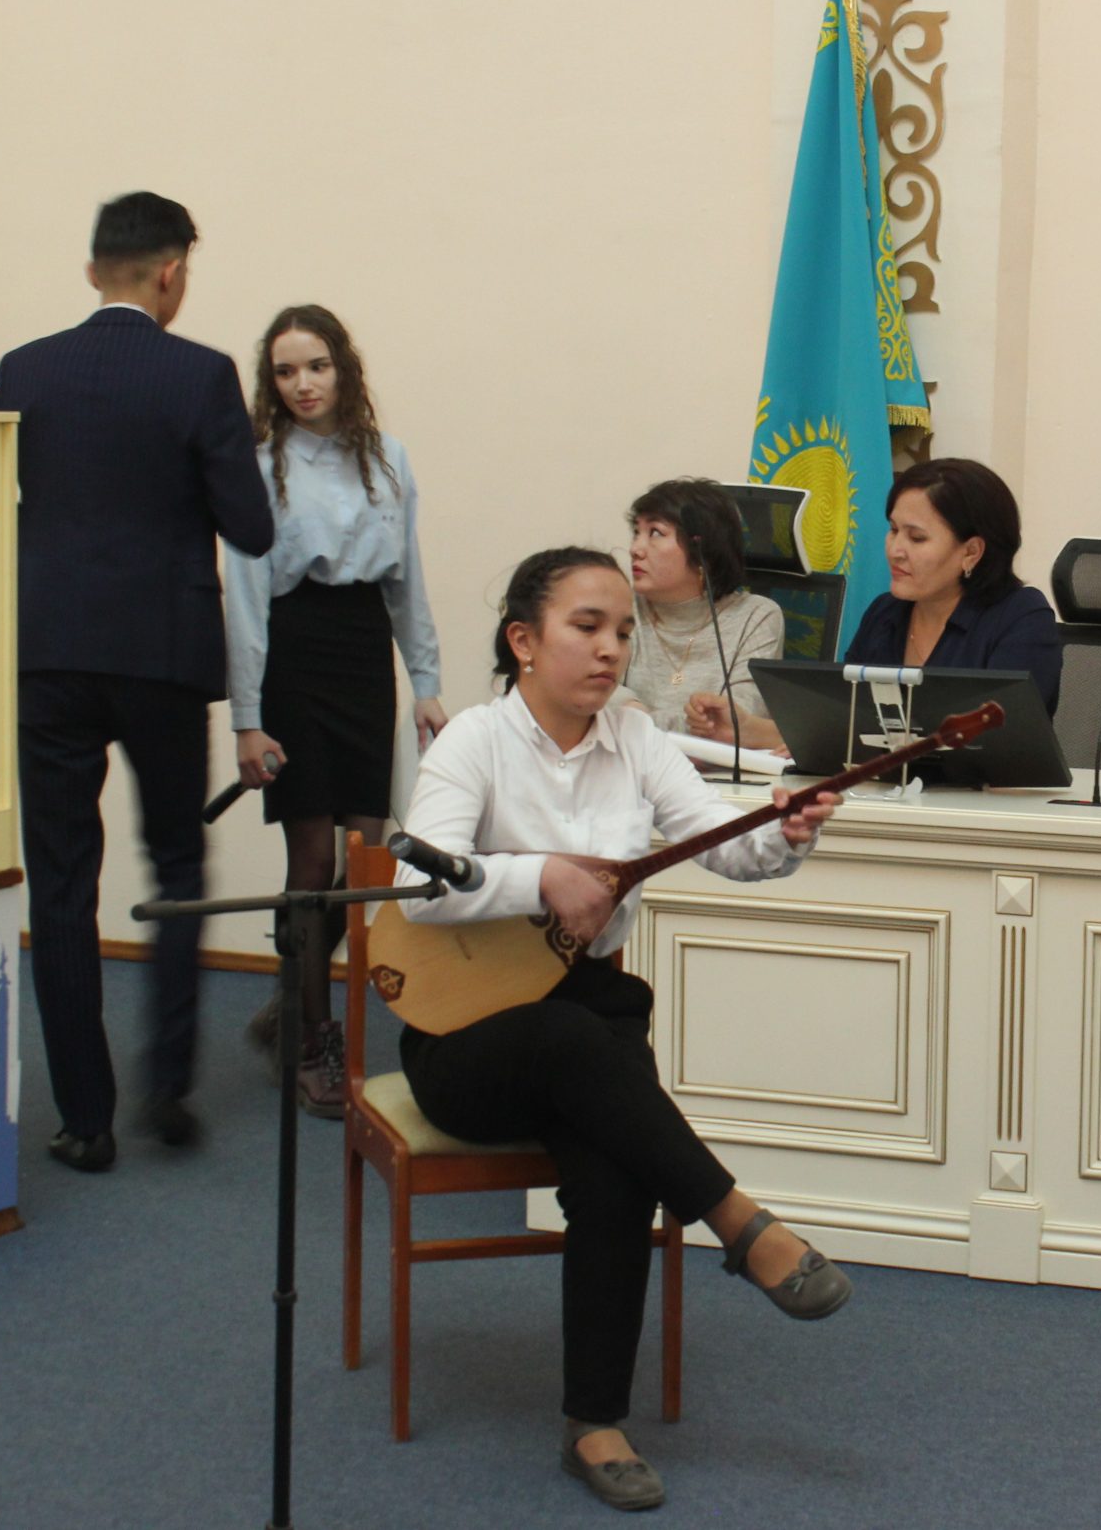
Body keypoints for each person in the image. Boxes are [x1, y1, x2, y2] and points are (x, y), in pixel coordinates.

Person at [393, 547, 851, 1512]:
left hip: (590, 1016)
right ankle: (739, 1222)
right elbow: (415, 883)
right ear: (524, 641)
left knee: (614, 1170)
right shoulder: (473, 740)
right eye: (586, 626)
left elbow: (725, 842)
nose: (611, 648)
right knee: (574, 1043)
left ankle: (593, 1425)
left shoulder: (636, 739)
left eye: (623, 631)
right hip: (465, 1034)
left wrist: (784, 832)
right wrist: (536, 876)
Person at [0, 191, 274, 1172]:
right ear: (171, 273)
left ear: (92, 271)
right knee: (178, 865)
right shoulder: (200, 375)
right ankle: (167, 1090)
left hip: (48, 654)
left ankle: (84, 1118)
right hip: (162, 654)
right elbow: (251, 528)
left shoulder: (25, 370)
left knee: (63, 879)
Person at [223, 304, 447, 1117]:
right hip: (293, 652)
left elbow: (406, 578)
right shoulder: (259, 465)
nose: (302, 384)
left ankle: (291, 1000)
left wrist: (425, 680)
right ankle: (314, 1037)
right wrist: (248, 718)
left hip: (361, 654)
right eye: (285, 371)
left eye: (315, 365)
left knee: (368, 859)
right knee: (313, 861)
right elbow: (246, 598)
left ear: (342, 368)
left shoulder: (388, 458)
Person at [843, 456, 1063, 711]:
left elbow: (1002, 727)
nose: (895, 551)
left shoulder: (1021, 617)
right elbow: (844, 711)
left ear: (971, 552)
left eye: (916, 538)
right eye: (893, 530)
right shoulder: (884, 613)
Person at [616, 476, 784, 745]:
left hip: (712, 768)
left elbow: (733, 723)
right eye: (637, 532)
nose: (635, 549)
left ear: (702, 547)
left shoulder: (756, 616)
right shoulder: (622, 607)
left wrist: (639, 718)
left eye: (655, 533)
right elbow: (592, 698)